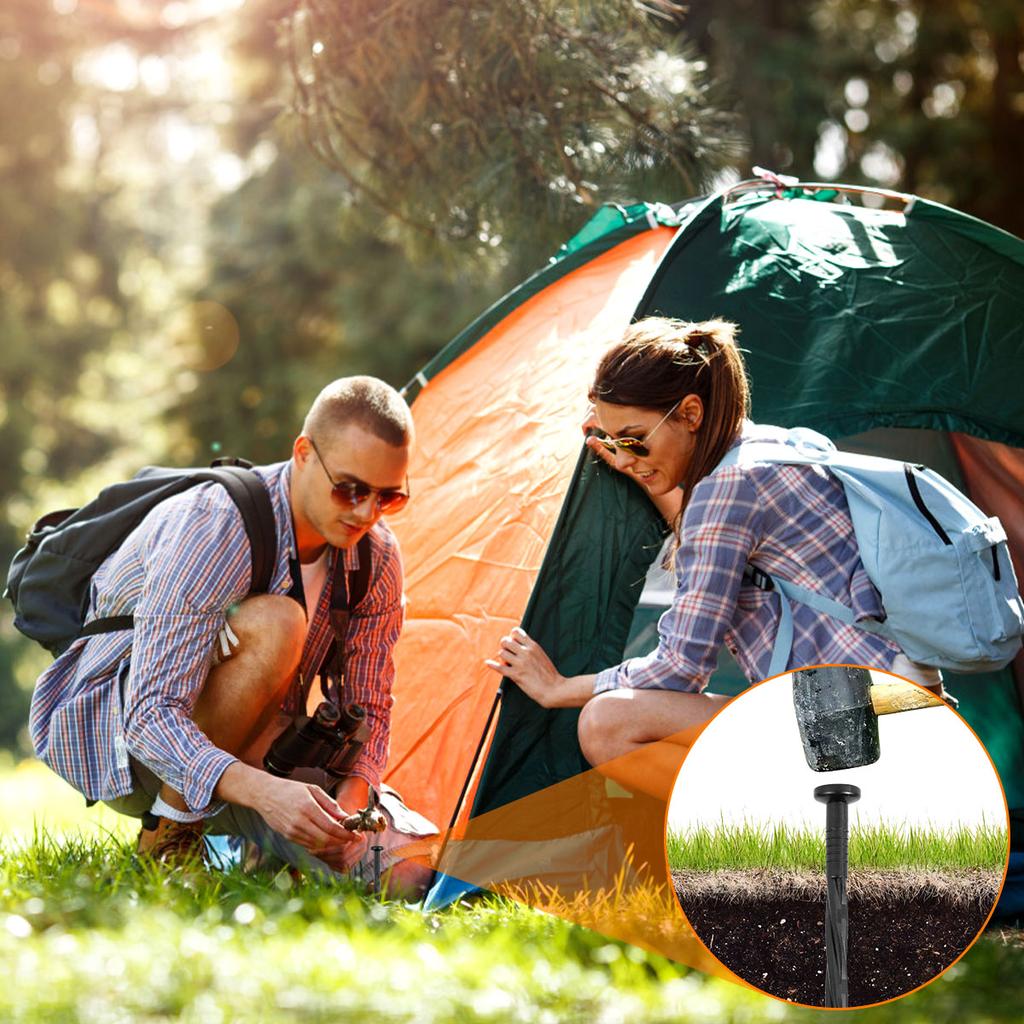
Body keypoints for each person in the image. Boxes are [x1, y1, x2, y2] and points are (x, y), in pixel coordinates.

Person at [486, 317, 951, 768]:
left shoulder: (725, 491)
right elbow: (707, 531)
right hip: (900, 699)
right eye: (613, 441)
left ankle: (775, 841)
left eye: (633, 440)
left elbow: (680, 668)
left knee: (607, 722)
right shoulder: (769, 448)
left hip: (858, 720)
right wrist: (642, 462)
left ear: (690, 413)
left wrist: (557, 688)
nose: (624, 458)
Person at [30, 376, 418, 874]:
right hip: (125, 741)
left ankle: (263, 854)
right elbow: (149, 716)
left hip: (264, 744)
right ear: (303, 454)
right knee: (278, 622)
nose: (367, 513)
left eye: (389, 498)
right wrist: (267, 794)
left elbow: (370, 706)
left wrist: (353, 798)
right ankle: (170, 839)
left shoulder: (378, 557)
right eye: (349, 489)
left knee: (404, 872)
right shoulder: (215, 525)